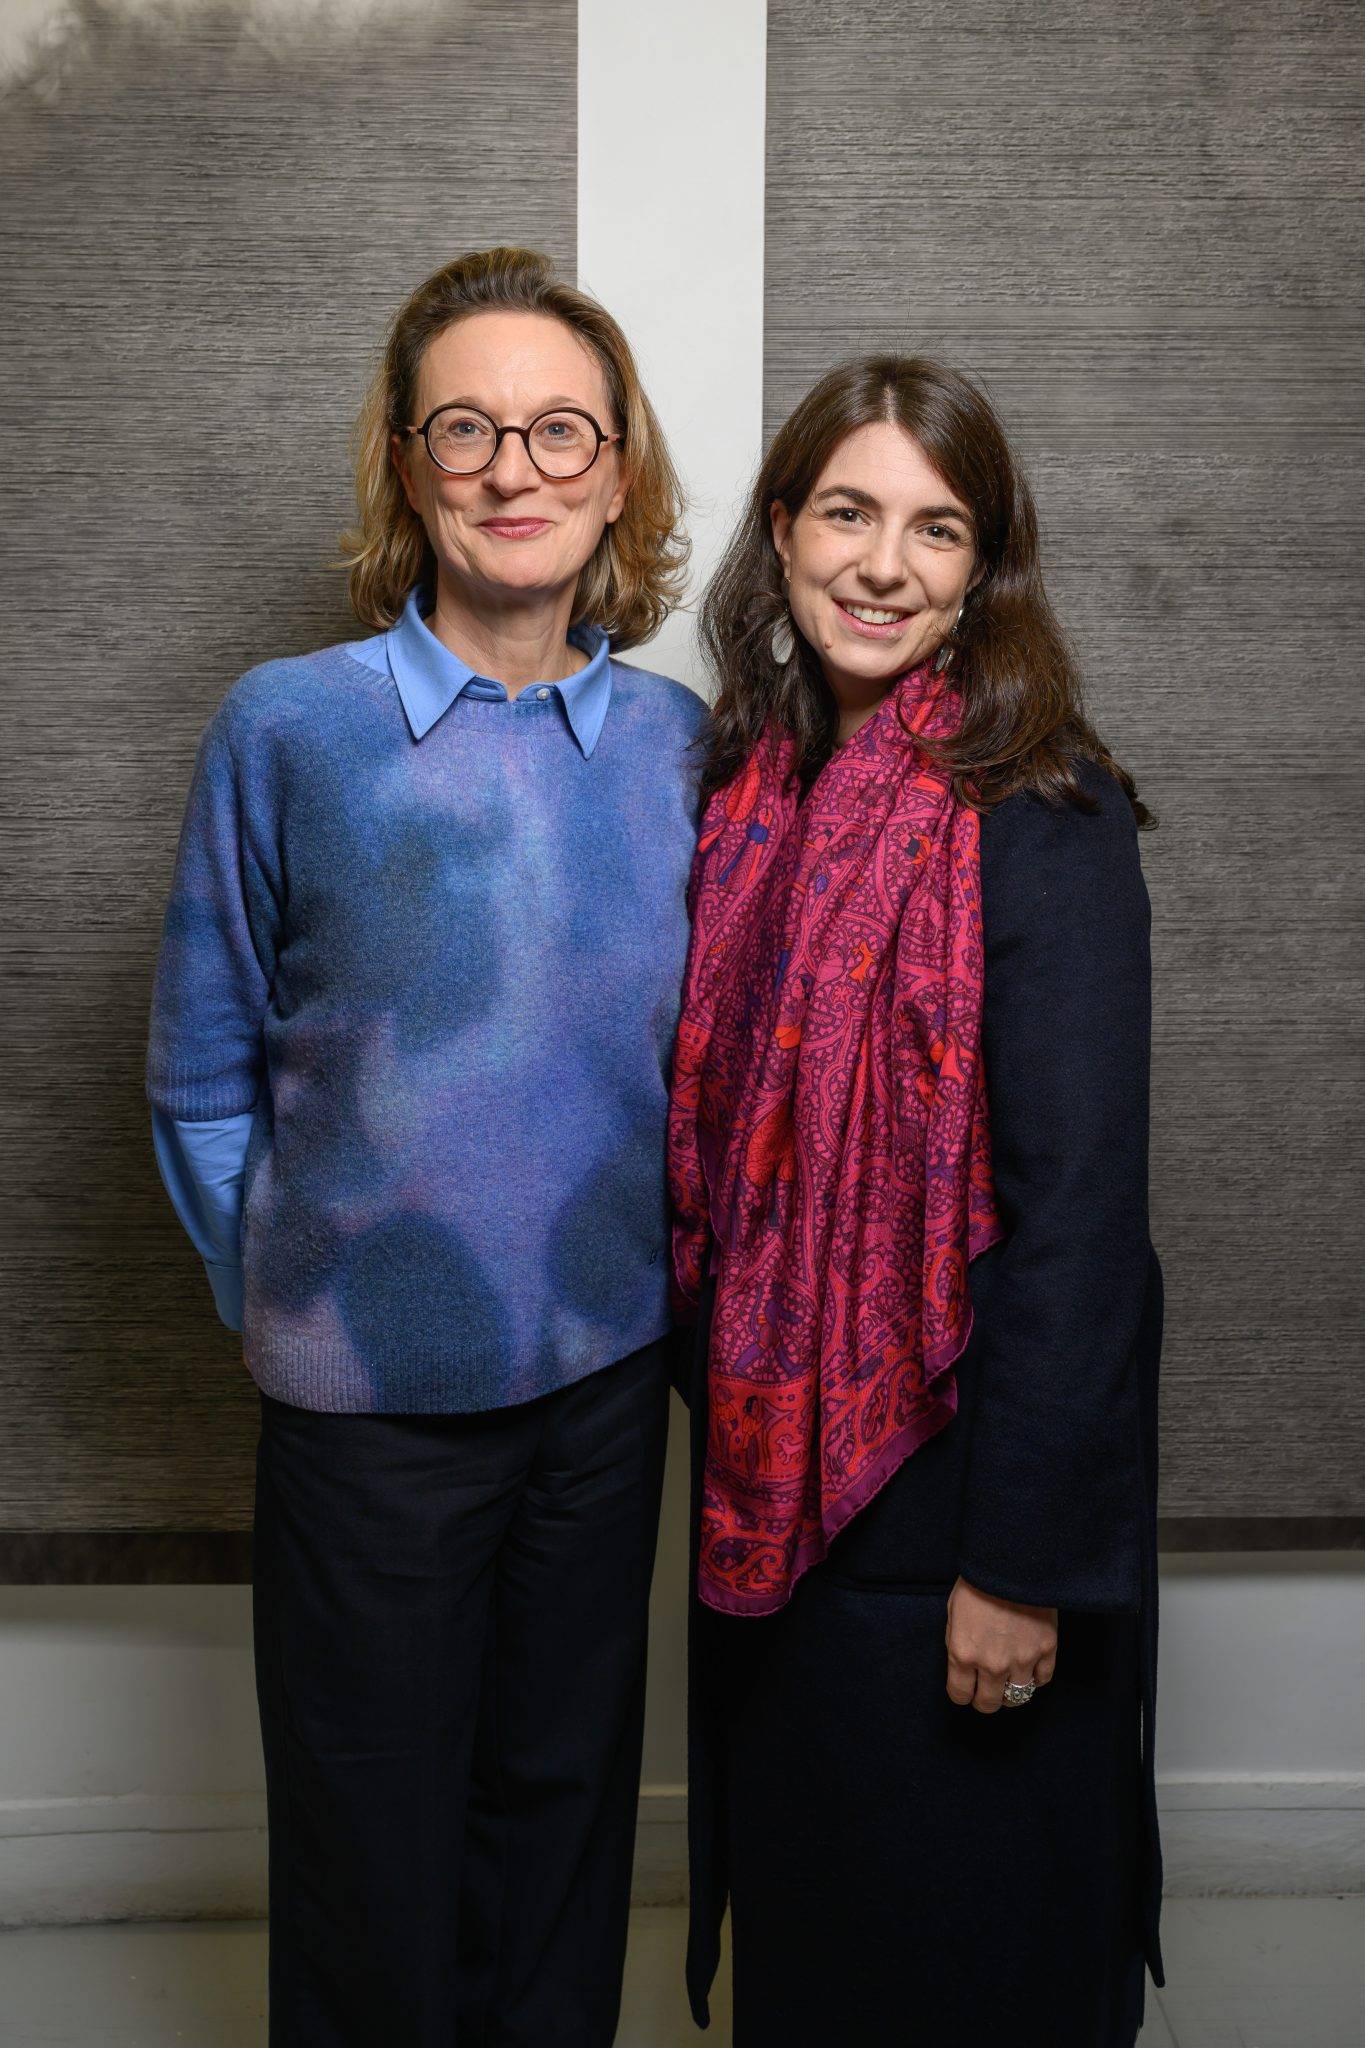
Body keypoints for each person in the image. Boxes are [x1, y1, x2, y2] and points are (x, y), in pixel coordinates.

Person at [146, 245, 705, 2046]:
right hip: (362, 1423)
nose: (514, 468)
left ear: (618, 472)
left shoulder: (686, 754)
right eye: (467, 427)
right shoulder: (287, 728)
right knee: (368, 1874)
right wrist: (308, 1302)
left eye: (560, 430)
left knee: (555, 1846)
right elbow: (198, 1079)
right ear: (405, 463)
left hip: (605, 1396)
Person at [667, 354, 1164, 2047]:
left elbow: (1084, 1217)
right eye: (847, 513)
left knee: (973, 1959)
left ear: (983, 568)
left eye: (933, 529)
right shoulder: (752, 795)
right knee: (823, 1962)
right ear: (785, 535)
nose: (881, 564)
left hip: (954, 1513)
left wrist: (1020, 1565)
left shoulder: (1044, 808)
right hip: (776, 1508)